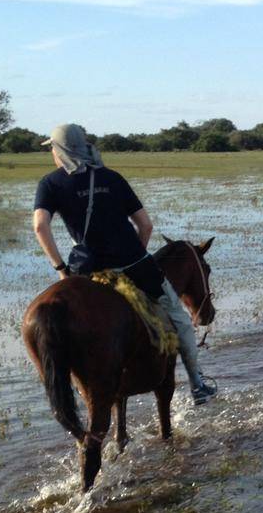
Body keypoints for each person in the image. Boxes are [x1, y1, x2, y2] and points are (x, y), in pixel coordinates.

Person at [32, 124, 217, 404]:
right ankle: (197, 384)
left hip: (85, 269)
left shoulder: (50, 184)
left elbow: (40, 227)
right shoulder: (112, 178)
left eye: (52, 150)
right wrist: (137, 257)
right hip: (132, 263)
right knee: (181, 321)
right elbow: (145, 225)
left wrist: (61, 269)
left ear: (59, 152)